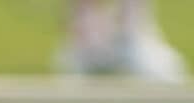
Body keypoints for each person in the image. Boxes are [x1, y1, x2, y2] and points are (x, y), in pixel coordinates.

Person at [54, 0, 188, 82]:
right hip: (88, 46)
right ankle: (88, 42)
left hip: (130, 41)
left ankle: (128, 35)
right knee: (88, 47)